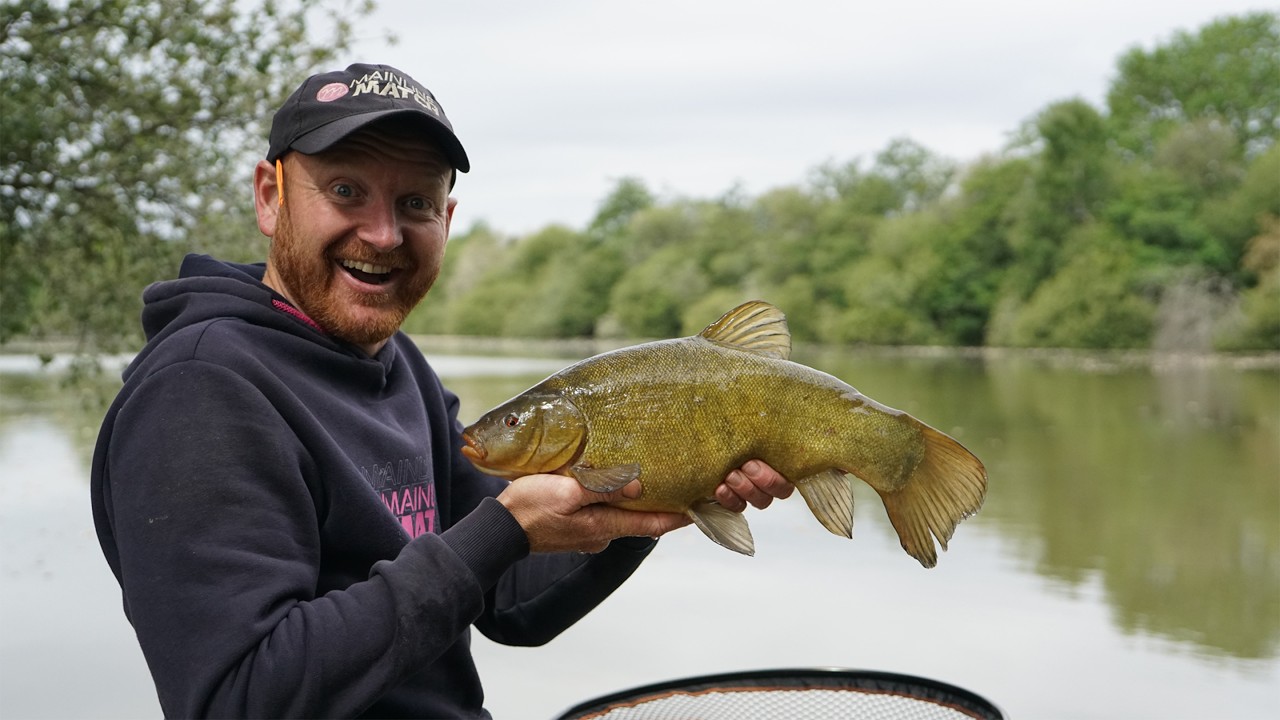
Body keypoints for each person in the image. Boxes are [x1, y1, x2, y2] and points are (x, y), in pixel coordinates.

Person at [90, 62, 794, 719]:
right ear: (271, 198)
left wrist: (647, 503)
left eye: (416, 201)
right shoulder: (200, 390)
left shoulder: (398, 367)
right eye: (345, 191)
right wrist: (506, 528)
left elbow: (512, 604)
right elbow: (241, 696)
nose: (383, 233)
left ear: (447, 221)